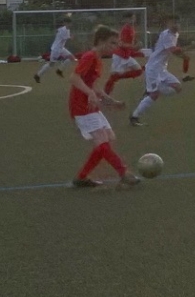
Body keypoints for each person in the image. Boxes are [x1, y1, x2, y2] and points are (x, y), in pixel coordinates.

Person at [68, 25, 139, 189]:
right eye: (112, 43)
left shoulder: (97, 59)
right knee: (102, 141)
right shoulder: (89, 56)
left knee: (107, 138)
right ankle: (124, 173)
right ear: (101, 41)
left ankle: (81, 177)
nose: (115, 47)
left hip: (90, 107)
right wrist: (90, 93)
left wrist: (111, 101)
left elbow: (93, 85)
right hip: (81, 107)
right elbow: (74, 78)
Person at [131, 16, 187, 126]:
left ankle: (151, 90)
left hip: (161, 69)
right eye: (173, 23)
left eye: (177, 23)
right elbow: (173, 50)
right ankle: (134, 116)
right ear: (168, 24)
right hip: (153, 68)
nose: (176, 25)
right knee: (154, 95)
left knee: (178, 87)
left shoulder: (175, 34)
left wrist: (183, 56)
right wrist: (188, 49)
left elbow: (174, 51)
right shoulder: (166, 35)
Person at [105, 18, 145, 96]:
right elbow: (121, 44)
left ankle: (118, 76)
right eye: (131, 18)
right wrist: (134, 47)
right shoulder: (125, 29)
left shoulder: (131, 29)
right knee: (112, 78)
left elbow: (129, 44)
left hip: (126, 56)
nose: (133, 20)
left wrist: (135, 49)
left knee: (139, 71)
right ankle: (105, 96)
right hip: (119, 56)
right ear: (126, 19)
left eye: (134, 18)